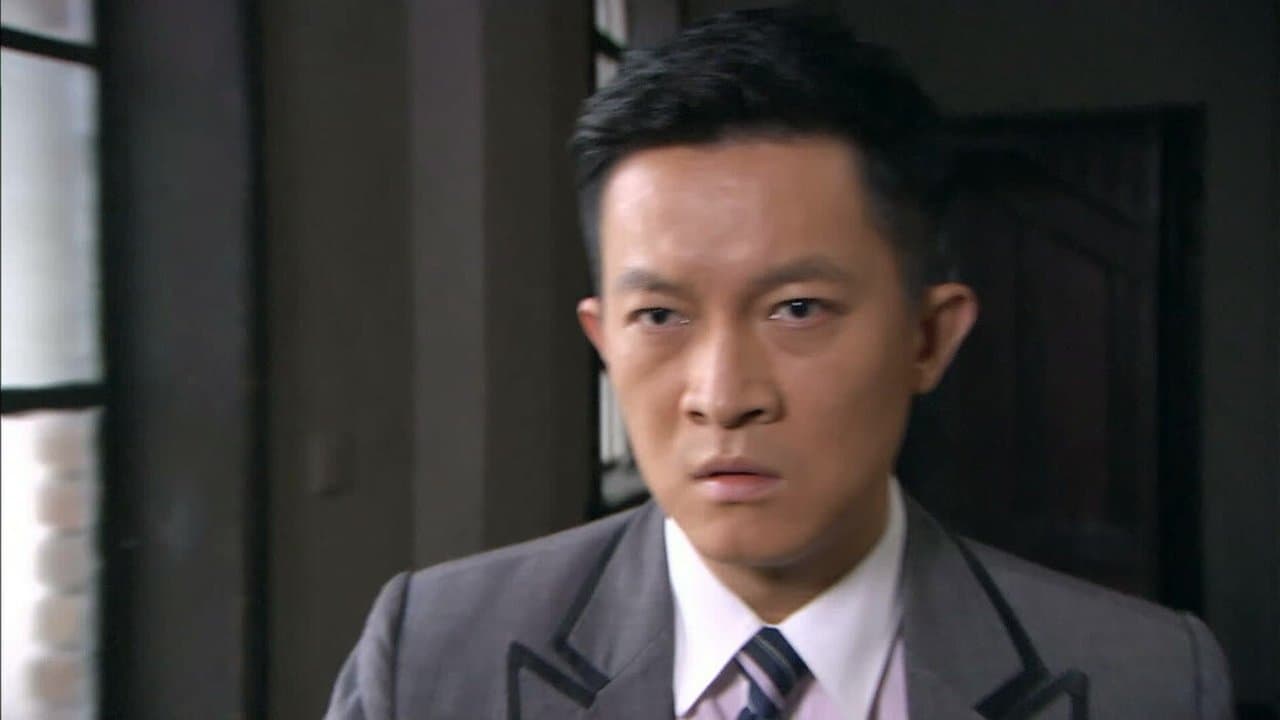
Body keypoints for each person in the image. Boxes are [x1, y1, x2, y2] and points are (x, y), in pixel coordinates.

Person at [326, 8, 1232, 719]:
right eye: (660, 316)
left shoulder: (1147, 682)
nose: (723, 397)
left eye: (797, 309)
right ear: (603, 341)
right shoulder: (433, 657)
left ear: (928, 338)